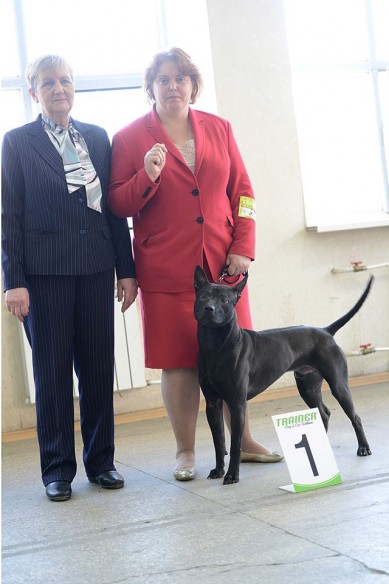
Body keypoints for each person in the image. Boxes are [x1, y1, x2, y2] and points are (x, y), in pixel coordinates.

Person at [108, 47, 283, 482]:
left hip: (224, 269)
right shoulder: (129, 138)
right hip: (167, 269)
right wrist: (145, 177)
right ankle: (185, 451)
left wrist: (243, 244)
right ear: (150, 87)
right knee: (180, 362)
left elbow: (243, 191)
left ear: (193, 85)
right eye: (163, 79)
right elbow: (116, 203)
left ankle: (243, 442)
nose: (173, 86)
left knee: (235, 355)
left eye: (181, 78)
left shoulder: (219, 128)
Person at [1, 55, 138, 501]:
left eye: (65, 80)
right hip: (44, 278)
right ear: (33, 93)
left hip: (96, 268)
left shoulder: (97, 138)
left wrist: (127, 270)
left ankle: (102, 463)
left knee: (99, 370)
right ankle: (57, 469)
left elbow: (114, 210)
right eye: (48, 83)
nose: (58, 88)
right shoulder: (17, 142)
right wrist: (13, 280)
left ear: (74, 87)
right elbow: (10, 217)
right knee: (53, 374)